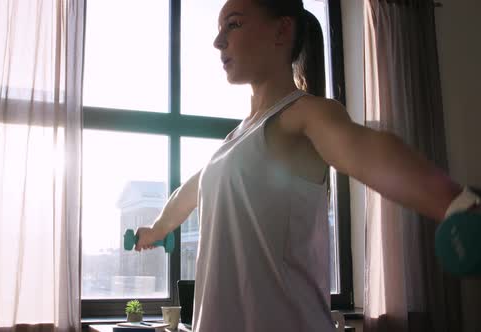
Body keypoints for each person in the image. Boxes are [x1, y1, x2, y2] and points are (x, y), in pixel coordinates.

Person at [133, 0, 480, 331]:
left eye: (233, 24)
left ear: (281, 31)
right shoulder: (232, 142)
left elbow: (366, 150)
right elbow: (187, 193)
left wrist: (456, 203)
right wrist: (156, 230)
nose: (217, 40)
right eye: (219, 27)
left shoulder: (304, 114)